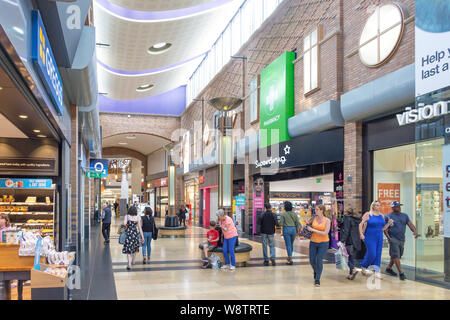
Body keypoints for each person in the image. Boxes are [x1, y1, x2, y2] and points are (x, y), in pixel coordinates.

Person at [384, 201, 418, 281]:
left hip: (402, 239)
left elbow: (410, 224)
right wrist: (389, 238)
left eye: (399, 206)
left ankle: (388, 268)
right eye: (396, 206)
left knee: (397, 255)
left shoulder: (404, 215)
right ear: (392, 208)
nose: (398, 207)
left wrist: (415, 231)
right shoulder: (389, 216)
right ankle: (401, 273)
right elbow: (385, 229)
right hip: (393, 239)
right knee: (396, 256)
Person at [358, 200, 393, 279]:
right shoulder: (368, 214)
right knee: (372, 254)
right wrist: (361, 234)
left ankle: (376, 272)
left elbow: (383, 228)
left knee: (378, 255)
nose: (378, 206)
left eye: (379, 205)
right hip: (369, 236)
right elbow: (360, 224)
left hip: (379, 237)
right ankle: (363, 265)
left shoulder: (382, 216)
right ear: (373, 206)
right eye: (377, 205)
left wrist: (388, 224)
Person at [307, 204, 331, 286]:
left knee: (319, 259)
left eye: (317, 209)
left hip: (323, 242)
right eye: (315, 209)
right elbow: (307, 224)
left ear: (322, 210)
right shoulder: (313, 218)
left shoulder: (327, 220)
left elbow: (325, 233)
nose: (315, 211)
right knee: (312, 260)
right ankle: (316, 271)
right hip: (313, 241)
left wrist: (313, 229)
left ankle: (317, 279)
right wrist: (307, 223)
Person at [339, 208, 363, 280]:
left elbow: (346, 231)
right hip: (356, 241)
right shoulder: (357, 219)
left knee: (347, 258)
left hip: (350, 241)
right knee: (352, 257)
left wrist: (342, 241)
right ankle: (350, 274)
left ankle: (353, 269)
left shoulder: (347, 218)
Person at [122, 206, 145, 270]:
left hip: (128, 234)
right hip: (135, 234)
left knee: (128, 249)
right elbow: (140, 228)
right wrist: (142, 237)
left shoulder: (127, 216)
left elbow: (124, 224)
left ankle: (129, 263)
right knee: (135, 248)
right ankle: (133, 260)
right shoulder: (138, 217)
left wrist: (122, 228)